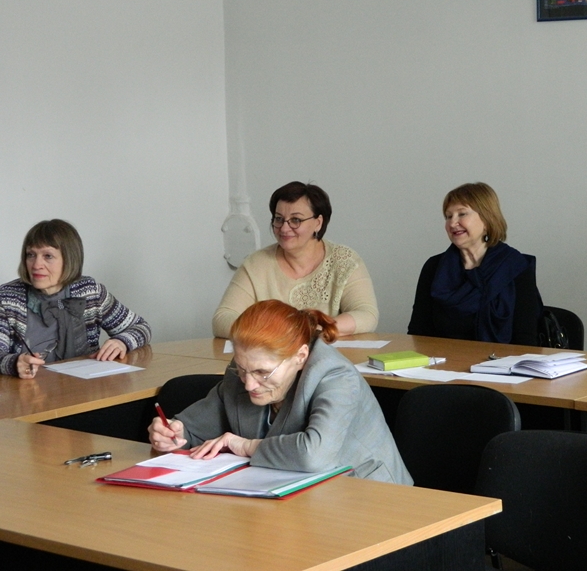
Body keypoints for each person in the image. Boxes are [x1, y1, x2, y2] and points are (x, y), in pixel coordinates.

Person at [151, 299, 412, 484]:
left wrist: (246, 446)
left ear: (301, 356)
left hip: (367, 497)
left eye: (262, 372)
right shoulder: (244, 368)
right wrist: (173, 433)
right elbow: (195, 428)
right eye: (242, 368)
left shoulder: (336, 376)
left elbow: (313, 455)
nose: (248, 384)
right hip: (292, 496)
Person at [212, 181, 378, 338]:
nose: (284, 228)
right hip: (273, 355)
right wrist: (273, 332)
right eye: (279, 219)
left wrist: (314, 329)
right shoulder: (256, 264)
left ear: (318, 223)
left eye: (295, 220)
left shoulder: (345, 261)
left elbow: (367, 314)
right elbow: (222, 319)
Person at [0, 219, 152, 378]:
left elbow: (140, 327)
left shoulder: (90, 291)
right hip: (29, 390)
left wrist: (122, 342)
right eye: (31, 255)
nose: (36, 265)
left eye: (48, 256)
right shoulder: (7, 298)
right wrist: (14, 363)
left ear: (69, 259)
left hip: (84, 388)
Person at [408, 182, 543, 346]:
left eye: (462, 214)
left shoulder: (515, 266)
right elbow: (418, 333)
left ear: (486, 219)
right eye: (448, 216)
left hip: (503, 360)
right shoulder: (434, 267)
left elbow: (526, 338)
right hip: (443, 360)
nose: (452, 223)